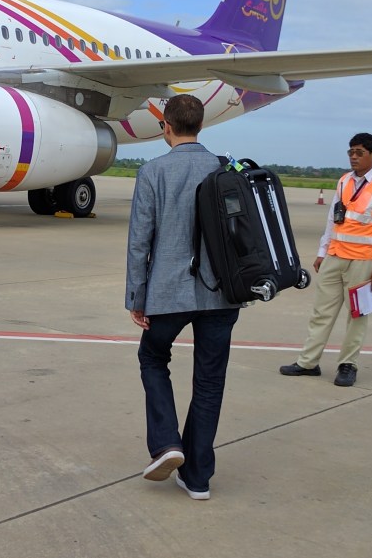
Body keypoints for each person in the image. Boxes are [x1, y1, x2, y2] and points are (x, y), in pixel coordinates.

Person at [126, 94, 241, 501]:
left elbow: (141, 241)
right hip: (222, 294)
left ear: (167, 127)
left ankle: (166, 443)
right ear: (201, 126)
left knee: (152, 358)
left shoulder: (153, 172)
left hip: (168, 292)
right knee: (209, 382)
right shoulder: (224, 169)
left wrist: (136, 297)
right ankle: (198, 477)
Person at [280, 132, 372, 387]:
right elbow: (332, 219)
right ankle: (308, 362)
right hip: (335, 256)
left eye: (359, 153)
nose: (353, 157)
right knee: (321, 312)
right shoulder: (344, 181)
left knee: (357, 314)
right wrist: (323, 252)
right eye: (351, 152)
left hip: (363, 261)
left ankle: (348, 365)